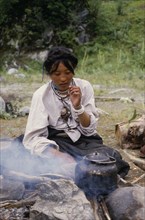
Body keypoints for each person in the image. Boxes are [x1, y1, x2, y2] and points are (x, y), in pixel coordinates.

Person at [23, 46, 130, 178]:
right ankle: (77, 169)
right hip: (56, 141)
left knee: (111, 157)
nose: (63, 79)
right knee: (26, 154)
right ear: (49, 74)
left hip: (83, 141)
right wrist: (59, 156)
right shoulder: (41, 95)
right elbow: (33, 137)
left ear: (74, 70)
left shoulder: (84, 87)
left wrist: (78, 106)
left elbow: (89, 130)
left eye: (67, 73)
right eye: (57, 74)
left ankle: (76, 170)